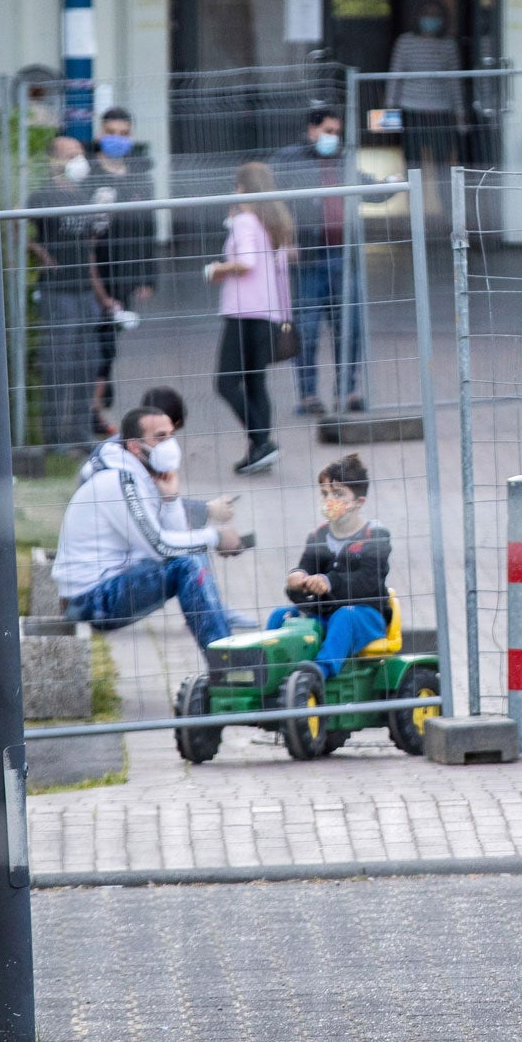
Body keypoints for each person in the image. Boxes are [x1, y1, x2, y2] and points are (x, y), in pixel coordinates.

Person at [54, 406, 247, 649]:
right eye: (160, 437)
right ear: (135, 446)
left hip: (108, 586)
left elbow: (179, 537)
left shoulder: (140, 473)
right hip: (89, 601)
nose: (169, 444)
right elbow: (160, 546)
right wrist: (215, 536)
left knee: (190, 551)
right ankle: (226, 661)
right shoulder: (118, 480)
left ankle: (223, 644)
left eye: (170, 435)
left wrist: (171, 499)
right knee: (187, 562)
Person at [270, 108, 382, 416]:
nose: (333, 137)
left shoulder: (344, 160)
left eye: (337, 132)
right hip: (308, 260)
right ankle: (307, 396)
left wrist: (392, 184)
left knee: (350, 328)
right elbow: (270, 200)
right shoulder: (290, 161)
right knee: (306, 331)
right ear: (312, 130)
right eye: (328, 131)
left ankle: (347, 392)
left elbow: (368, 189)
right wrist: (283, 240)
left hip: (344, 258)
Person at [27, 135, 118, 450]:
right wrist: (38, 251)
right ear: (55, 160)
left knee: (87, 361)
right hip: (58, 292)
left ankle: (80, 433)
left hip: (84, 293)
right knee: (58, 363)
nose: (78, 160)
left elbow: (89, 249)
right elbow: (17, 227)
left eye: (80, 153)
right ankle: (54, 439)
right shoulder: (42, 197)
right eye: (70, 154)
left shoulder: (83, 195)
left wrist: (102, 296)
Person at [272, 454, 392, 679]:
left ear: (359, 502)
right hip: (325, 612)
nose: (329, 500)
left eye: (338, 494)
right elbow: (305, 568)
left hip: (365, 615)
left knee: (345, 616)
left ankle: (319, 672)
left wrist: (328, 581)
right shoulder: (318, 536)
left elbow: (368, 581)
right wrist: (297, 579)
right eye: (325, 493)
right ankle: (270, 670)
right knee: (281, 615)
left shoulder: (374, 536)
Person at [209, 162, 293, 476]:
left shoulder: (245, 220)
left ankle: (262, 442)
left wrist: (216, 269)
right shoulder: (274, 223)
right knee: (256, 383)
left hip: (244, 312)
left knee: (226, 383)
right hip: (269, 312)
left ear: (242, 188)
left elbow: (244, 263)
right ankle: (259, 450)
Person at [88, 107, 157, 433]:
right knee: (99, 343)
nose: (118, 138)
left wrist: (148, 276)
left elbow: (149, 228)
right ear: (101, 134)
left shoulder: (139, 178)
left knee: (110, 343)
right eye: (112, 131)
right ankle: (96, 409)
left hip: (125, 273)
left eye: (124, 133)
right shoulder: (88, 176)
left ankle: (98, 403)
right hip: (92, 272)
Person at [386, 1, 464, 175]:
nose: (431, 19)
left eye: (435, 15)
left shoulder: (448, 44)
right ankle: (414, 201)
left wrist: (460, 113)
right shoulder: (405, 42)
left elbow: (454, 80)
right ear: (418, 17)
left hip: (441, 111)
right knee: (413, 164)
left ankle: (445, 202)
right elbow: (395, 73)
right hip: (411, 109)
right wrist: (390, 106)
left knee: (442, 166)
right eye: (427, 14)